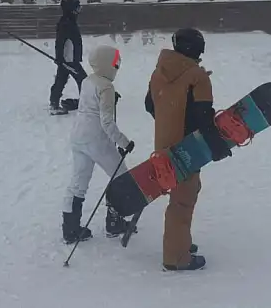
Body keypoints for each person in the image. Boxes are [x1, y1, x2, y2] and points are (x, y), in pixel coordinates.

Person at [144, 28, 232, 271]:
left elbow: (149, 105)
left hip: (163, 145)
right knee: (183, 200)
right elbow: (204, 116)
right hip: (187, 147)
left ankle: (180, 241)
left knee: (183, 193)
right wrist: (217, 146)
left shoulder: (159, 73)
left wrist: (169, 120)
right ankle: (176, 256)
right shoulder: (198, 77)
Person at [61, 44, 136, 244]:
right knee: (121, 177)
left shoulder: (88, 80)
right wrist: (124, 142)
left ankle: (70, 228)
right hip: (97, 139)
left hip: (79, 136)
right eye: (115, 62)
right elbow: (106, 122)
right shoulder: (106, 87)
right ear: (105, 63)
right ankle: (114, 222)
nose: (117, 66)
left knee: (79, 182)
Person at [50, 0, 88, 115]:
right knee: (83, 80)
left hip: (68, 59)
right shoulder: (66, 23)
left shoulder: (69, 21)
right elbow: (60, 42)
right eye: (77, 7)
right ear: (71, 9)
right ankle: (86, 104)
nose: (79, 10)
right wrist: (60, 58)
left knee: (61, 80)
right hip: (69, 60)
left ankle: (54, 103)